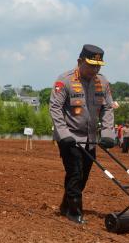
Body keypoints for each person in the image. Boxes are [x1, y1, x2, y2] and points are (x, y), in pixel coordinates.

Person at [49, 44, 116, 224]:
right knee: (75, 173)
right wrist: (63, 134)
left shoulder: (102, 82)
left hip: (91, 139)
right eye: (91, 65)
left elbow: (108, 107)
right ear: (80, 61)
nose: (95, 69)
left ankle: (65, 206)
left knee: (83, 175)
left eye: (98, 66)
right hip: (70, 137)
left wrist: (108, 133)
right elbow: (55, 107)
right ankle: (74, 211)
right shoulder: (64, 80)